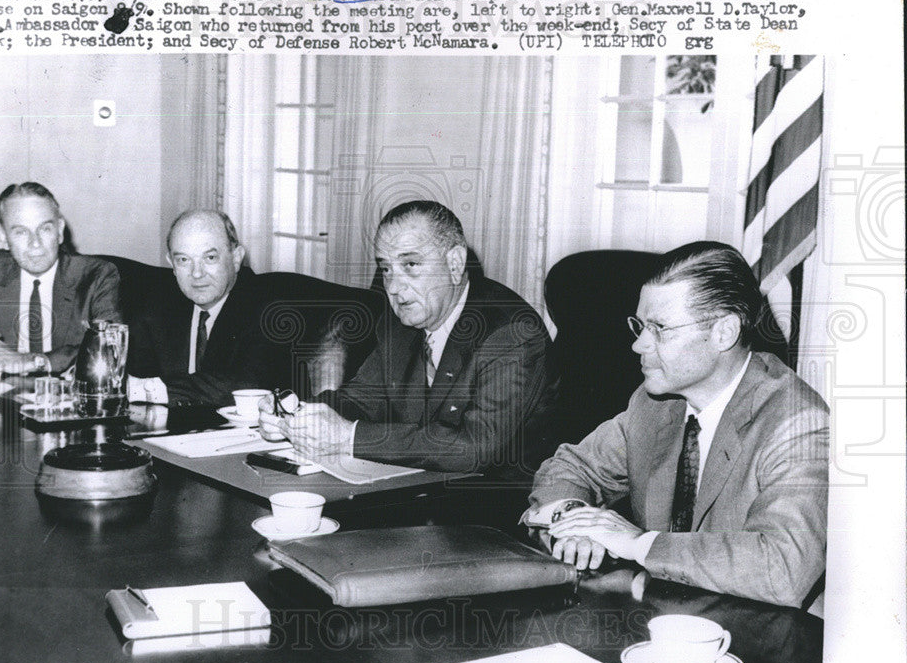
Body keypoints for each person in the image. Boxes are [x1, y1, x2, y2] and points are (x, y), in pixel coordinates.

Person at [526, 241, 828, 608]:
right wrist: (574, 522)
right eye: (640, 325)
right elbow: (571, 466)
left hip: (763, 637)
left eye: (660, 328)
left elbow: (784, 567)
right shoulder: (655, 404)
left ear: (724, 332)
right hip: (659, 617)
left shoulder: (798, 424)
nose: (638, 345)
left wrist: (639, 543)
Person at [261, 199, 553, 476]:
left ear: (455, 263)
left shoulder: (513, 335)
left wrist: (348, 436)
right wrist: (296, 414)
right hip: (418, 483)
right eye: (386, 269)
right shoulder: (404, 319)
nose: (394, 287)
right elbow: (363, 399)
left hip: (497, 500)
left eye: (410, 265)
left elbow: (474, 447)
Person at [0, 182, 120, 374]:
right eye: (20, 232)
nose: (35, 243)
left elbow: (110, 348)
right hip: (6, 396)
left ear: (60, 230)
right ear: (3, 236)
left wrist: (32, 361)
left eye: (45, 229)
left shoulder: (97, 276)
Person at [126, 209, 289, 407]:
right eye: (184, 260)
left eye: (210, 258)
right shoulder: (159, 305)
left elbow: (247, 386)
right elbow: (130, 370)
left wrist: (143, 390)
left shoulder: (269, 308)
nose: (196, 273)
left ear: (236, 258)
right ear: (172, 264)